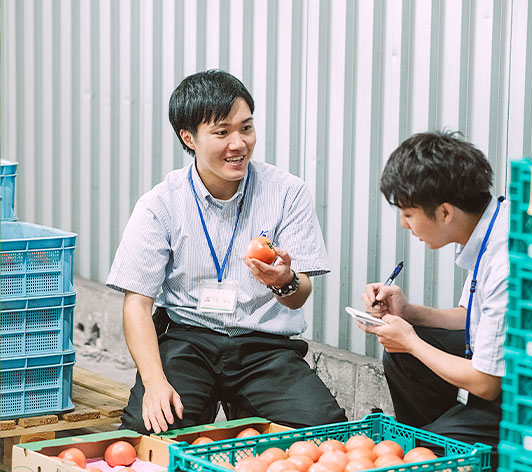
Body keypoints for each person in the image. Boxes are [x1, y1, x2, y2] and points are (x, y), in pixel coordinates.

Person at [106, 69, 346, 434]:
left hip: (263, 347)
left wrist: (285, 282)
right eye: (222, 132)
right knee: (150, 429)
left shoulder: (287, 193)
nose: (239, 144)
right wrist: (154, 383)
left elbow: (299, 297)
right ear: (189, 137)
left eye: (246, 128)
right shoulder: (160, 204)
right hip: (188, 339)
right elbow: (137, 305)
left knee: (326, 432)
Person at [359, 131, 508, 471]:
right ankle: (436, 436)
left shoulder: (504, 261)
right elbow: (472, 317)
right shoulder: (489, 227)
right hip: (499, 377)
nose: (404, 224)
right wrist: (409, 313)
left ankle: (436, 445)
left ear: (444, 213)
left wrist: (410, 341)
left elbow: (487, 383)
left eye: (409, 213)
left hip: (520, 403)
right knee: (403, 349)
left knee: (408, 348)